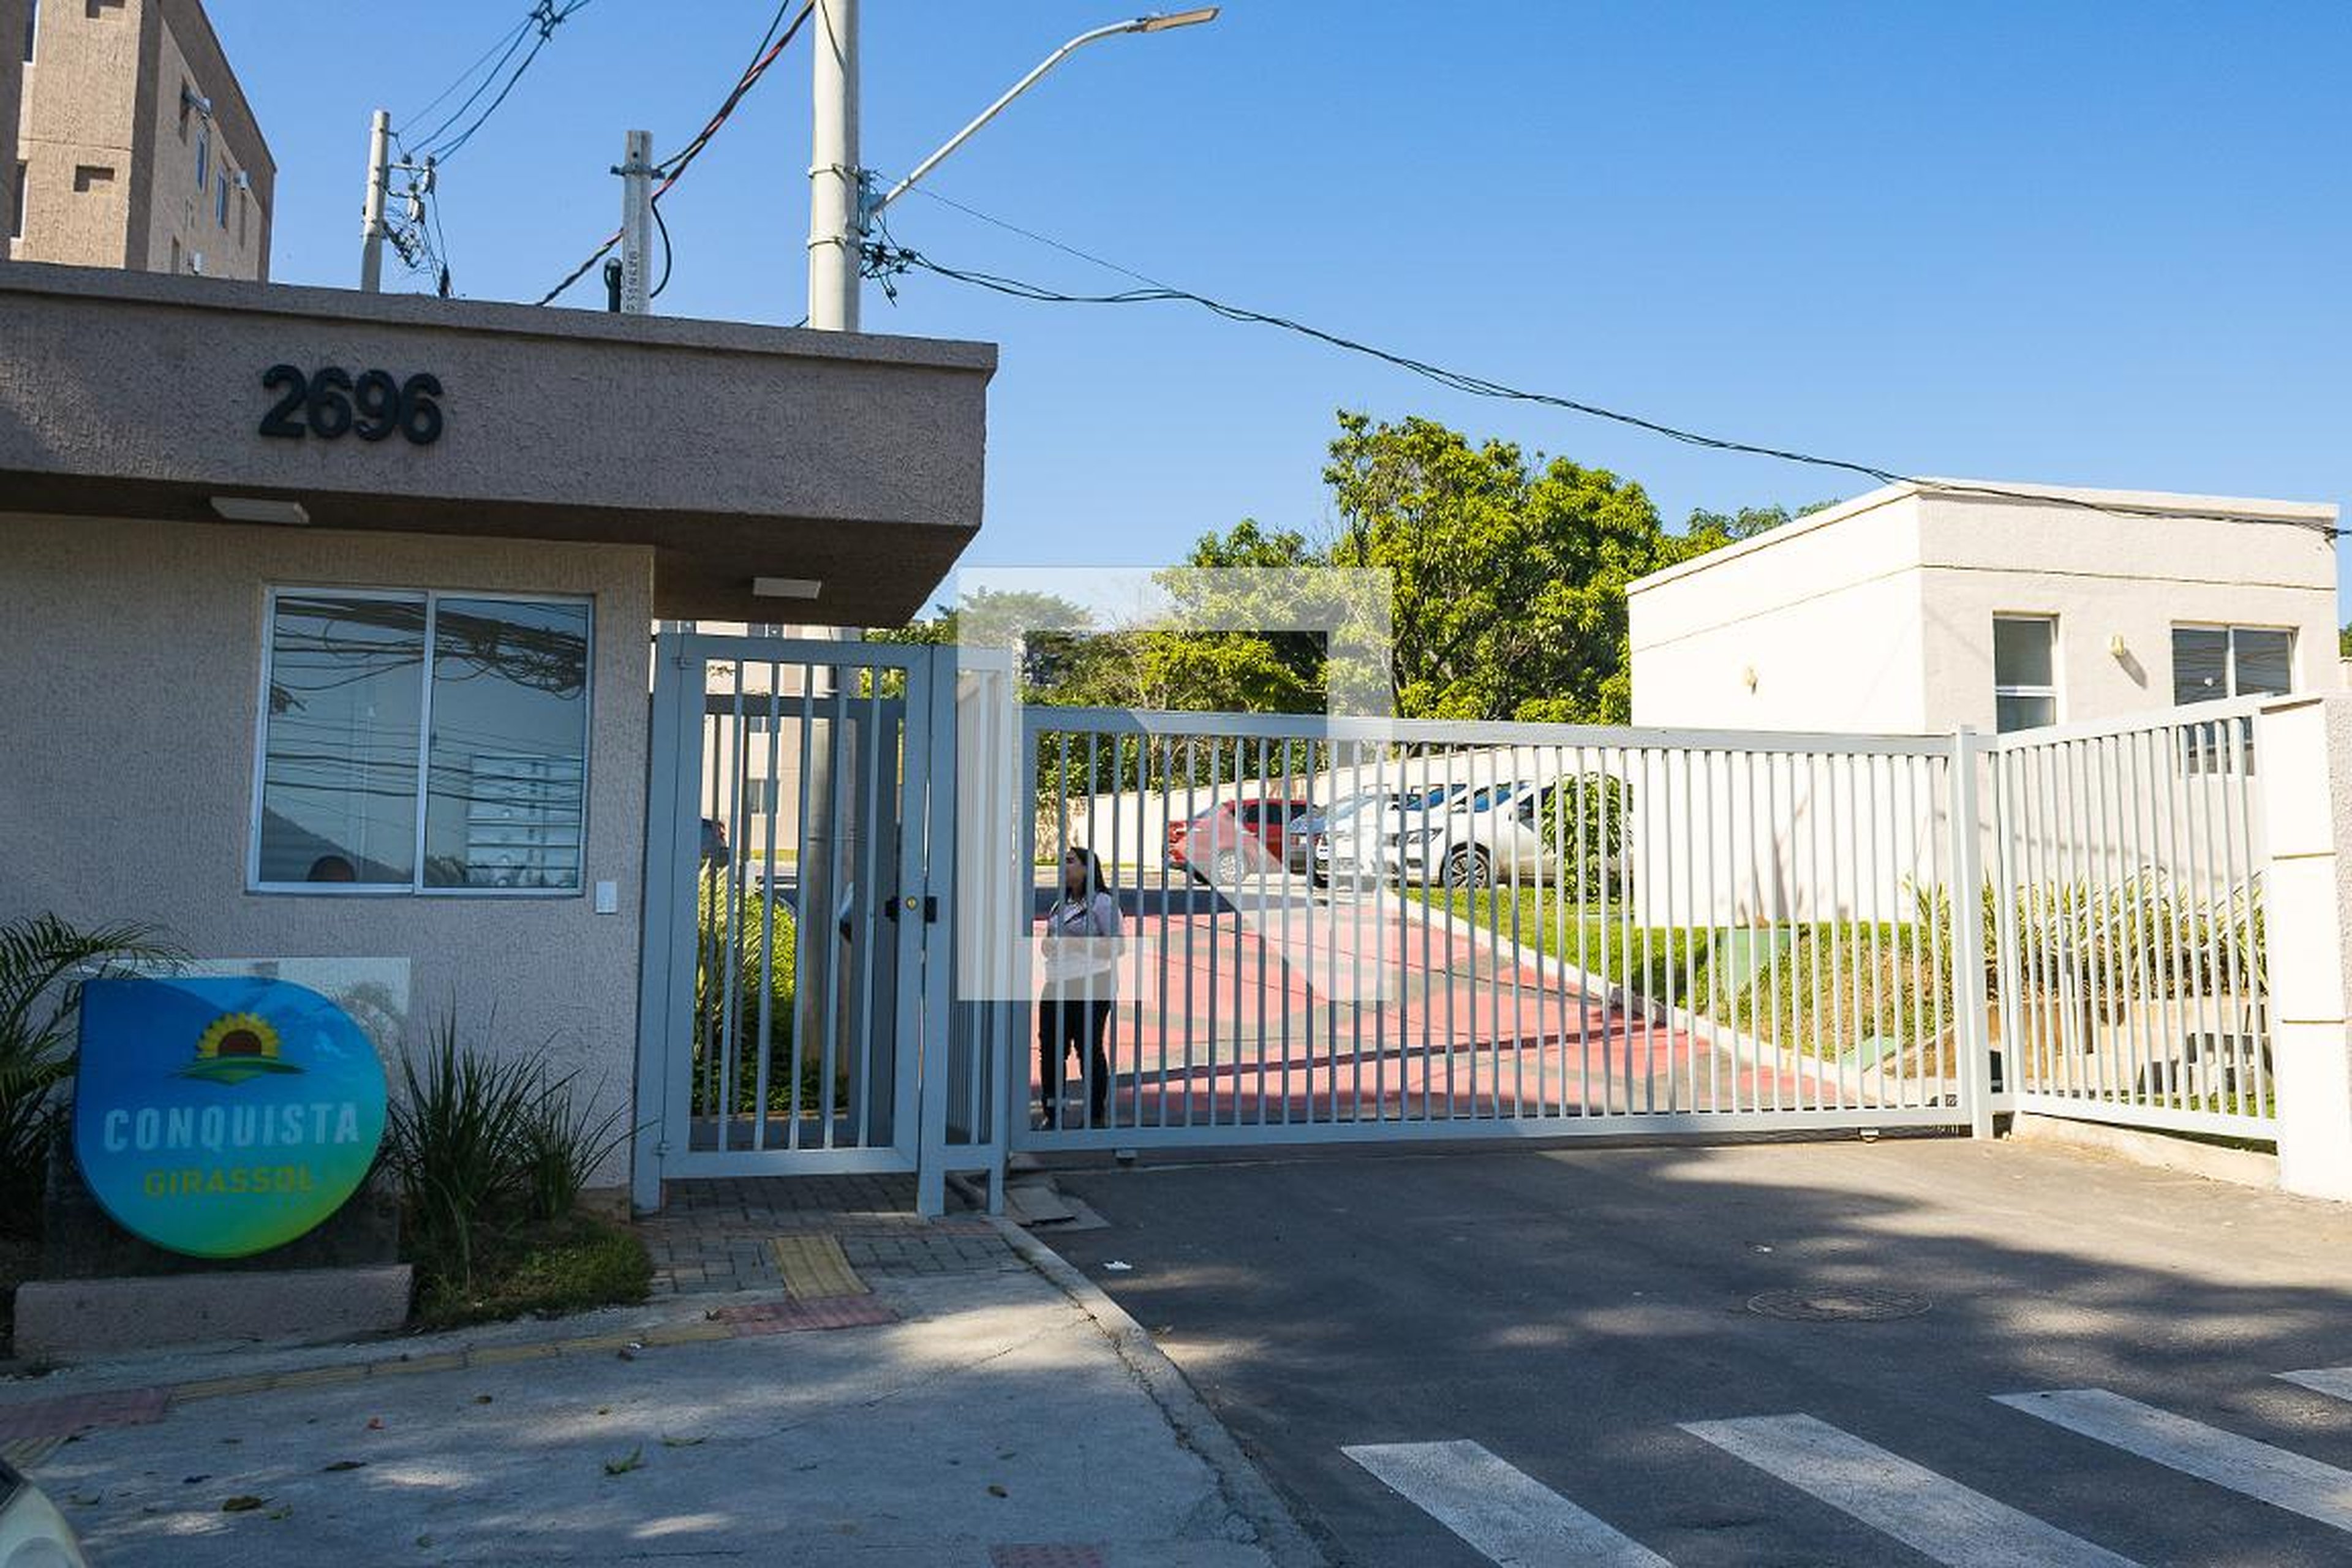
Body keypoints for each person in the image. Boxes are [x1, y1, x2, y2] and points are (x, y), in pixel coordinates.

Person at [1038, 846, 1122, 1129]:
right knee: (1051, 1049)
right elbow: (1049, 941)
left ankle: (1095, 1115)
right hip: (1056, 983)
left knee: (1088, 1048)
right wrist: (1049, 946)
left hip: (1092, 982)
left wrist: (1073, 945)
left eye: (1071, 861)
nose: (1064, 866)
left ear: (1088, 868)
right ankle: (1053, 1113)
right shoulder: (1060, 905)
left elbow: (1117, 947)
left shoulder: (1102, 903)